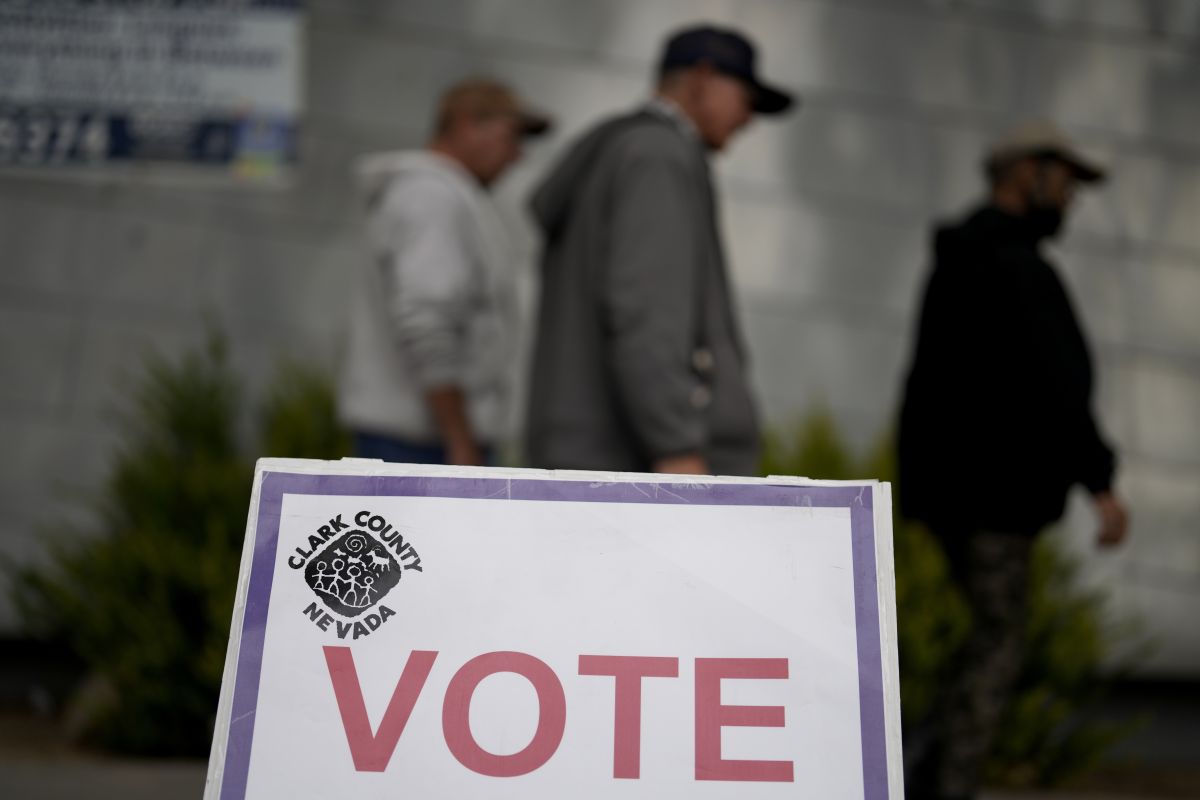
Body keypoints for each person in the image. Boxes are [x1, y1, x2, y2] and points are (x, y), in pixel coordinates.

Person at [898, 120, 1130, 800]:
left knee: (982, 640)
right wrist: (1101, 482)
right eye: (1064, 182)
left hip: (955, 495)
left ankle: (923, 773)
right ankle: (944, 781)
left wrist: (920, 491)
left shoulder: (959, 258)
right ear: (1027, 175)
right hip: (995, 498)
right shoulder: (1015, 269)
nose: (1070, 200)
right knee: (998, 644)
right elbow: (1057, 386)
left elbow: (922, 384)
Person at [525, 25, 794, 476]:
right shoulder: (657, 156)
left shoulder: (617, 148)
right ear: (702, 78)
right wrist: (677, 447)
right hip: (634, 471)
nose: (749, 118)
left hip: (593, 459)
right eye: (746, 98)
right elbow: (646, 313)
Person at [339, 79, 551, 465]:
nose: (517, 156)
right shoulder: (431, 198)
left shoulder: (441, 195)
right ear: (468, 125)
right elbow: (426, 322)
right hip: (422, 445)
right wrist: (459, 441)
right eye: (511, 137)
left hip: (422, 439)